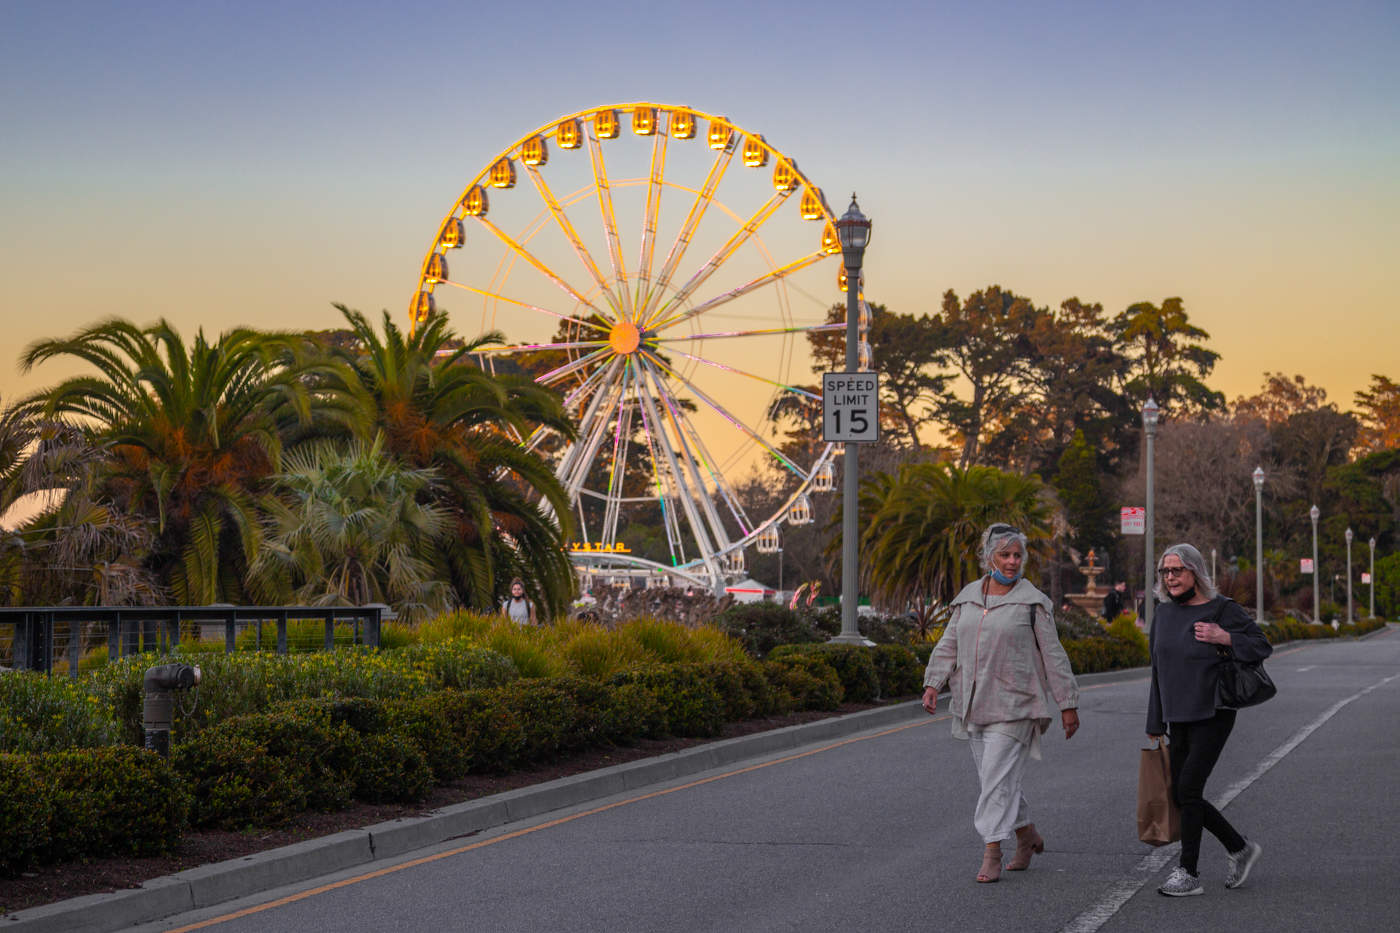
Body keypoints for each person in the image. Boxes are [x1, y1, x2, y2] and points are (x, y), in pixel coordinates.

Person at [922, 523, 1081, 884]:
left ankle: (992, 851)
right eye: (1005, 555)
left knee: (995, 778)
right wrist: (933, 683)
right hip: (973, 703)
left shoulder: (1032, 602)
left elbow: (1054, 655)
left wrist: (1067, 703)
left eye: (1017, 555)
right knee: (995, 778)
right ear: (988, 556)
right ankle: (1027, 837)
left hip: (1017, 705)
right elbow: (949, 644)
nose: (1012, 562)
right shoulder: (967, 598)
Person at [1146, 543, 1270, 897]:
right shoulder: (1164, 614)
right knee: (1182, 794)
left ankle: (1188, 872)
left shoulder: (1222, 610)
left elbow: (1261, 646)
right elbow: (1158, 672)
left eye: (1177, 571)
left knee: (1187, 790)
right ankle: (1239, 847)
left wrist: (1225, 637)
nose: (1170, 577)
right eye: (1165, 572)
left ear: (1196, 572)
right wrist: (1154, 721)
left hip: (1213, 712)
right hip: (1176, 715)